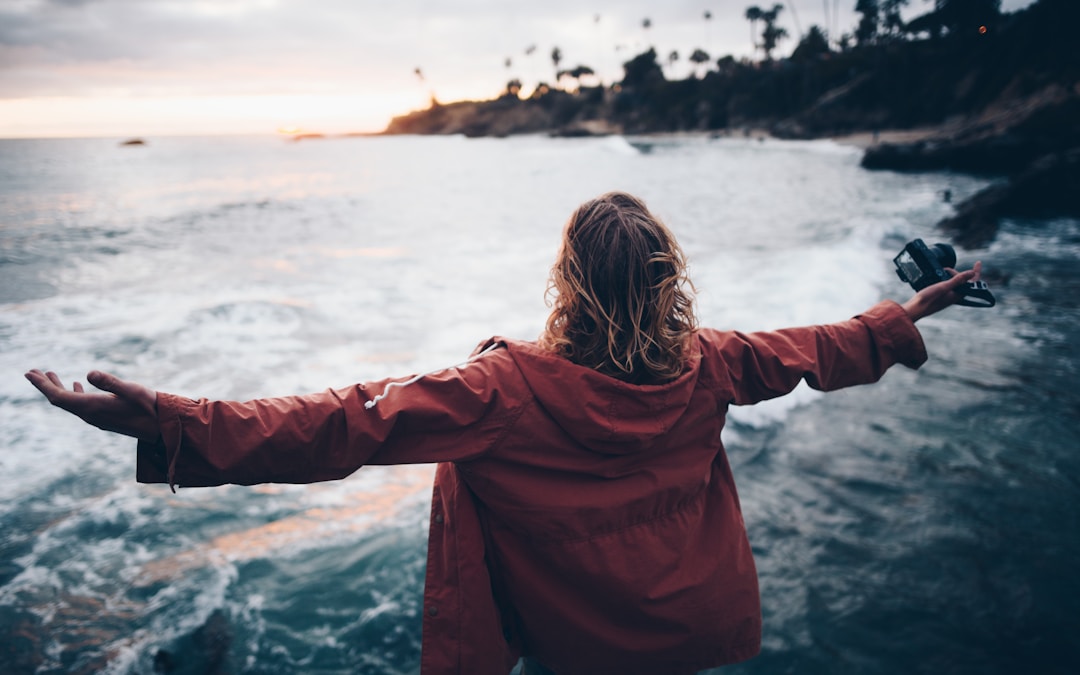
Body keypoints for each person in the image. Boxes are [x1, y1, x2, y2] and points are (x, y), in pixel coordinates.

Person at [25, 191, 981, 675]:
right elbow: (820, 345)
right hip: (689, 629)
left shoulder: (501, 391)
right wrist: (915, 308)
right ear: (665, 280)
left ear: (567, 281)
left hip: (582, 646)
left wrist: (168, 419)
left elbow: (334, 425)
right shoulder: (713, 362)